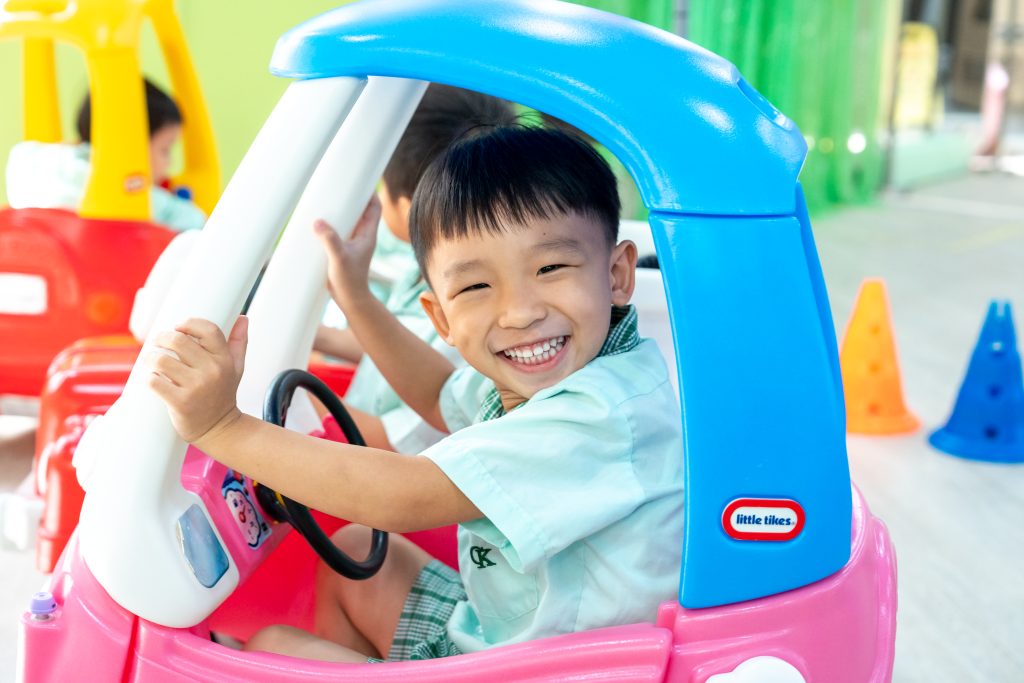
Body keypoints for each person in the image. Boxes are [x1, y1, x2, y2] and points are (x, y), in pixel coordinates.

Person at [145, 125, 684, 663]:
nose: (520, 312)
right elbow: (439, 391)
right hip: (504, 633)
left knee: (273, 649)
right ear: (440, 317)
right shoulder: (571, 376)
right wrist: (355, 297)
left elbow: (400, 495)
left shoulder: (597, 414)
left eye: (550, 268)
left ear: (618, 274)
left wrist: (222, 428)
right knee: (357, 554)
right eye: (477, 286)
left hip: (558, 669)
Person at [313, 84, 516, 454]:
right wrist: (321, 337)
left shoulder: (469, 320)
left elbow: (391, 442)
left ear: (413, 212)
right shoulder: (423, 270)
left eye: (381, 188)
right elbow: (397, 345)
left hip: (372, 461)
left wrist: (288, 389)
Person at [4, 79, 206, 231]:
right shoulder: (124, 187)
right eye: (165, 150)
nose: (169, 163)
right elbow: (192, 222)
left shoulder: (37, 162)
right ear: (129, 144)